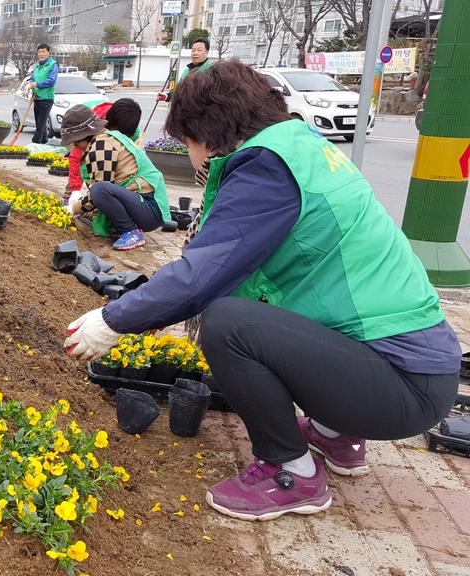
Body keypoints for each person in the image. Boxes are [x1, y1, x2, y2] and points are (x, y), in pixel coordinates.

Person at [63, 60, 460, 522]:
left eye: (187, 142)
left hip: (401, 383)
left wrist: (112, 320)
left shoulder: (267, 168)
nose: (190, 156)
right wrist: (154, 307)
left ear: (205, 134)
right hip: (408, 369)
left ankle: (289, 471)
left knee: (229, 323)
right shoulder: (297, 145)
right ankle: (335, 433)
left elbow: (203, 274)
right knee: (248, 312)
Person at [61, 100, 171, 251]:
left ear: (83, 136)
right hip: (144, 206)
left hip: (149, 208)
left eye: (74, 142)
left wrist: (73, 208)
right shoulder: (106, 139)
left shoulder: (101, 145)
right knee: (99, 190)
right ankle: (125, 227)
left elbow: (100, 190)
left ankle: (131, 231)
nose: (75, 146)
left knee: (99, 190)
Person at [65, 100, 112, 202]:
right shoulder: (82, 129)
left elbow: (104, 186)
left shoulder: (104, 143)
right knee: (85, 168)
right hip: (81, 121)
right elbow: (75, 162)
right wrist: (74, 192)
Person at [157, 37, 213, 102]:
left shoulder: (212, 70)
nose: (195, 53)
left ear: (207, 52)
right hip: (185, 110)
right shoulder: (186, 71)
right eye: (193, 50)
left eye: (199, 50)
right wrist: (167, 96)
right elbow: (180, 92)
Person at [28, 43, 59, 144]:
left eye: (43, 52)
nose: (41, 54)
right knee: (40, 123)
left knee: (41, 124)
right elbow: (32, 78)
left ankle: (35, 143)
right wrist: (29, 84)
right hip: (36, 97)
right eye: (39, 52)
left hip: (46, 98)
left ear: (48, 52)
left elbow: (51, 81)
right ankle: (44, 142)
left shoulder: (53, 65)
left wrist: (37, 84)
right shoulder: (37, 66)